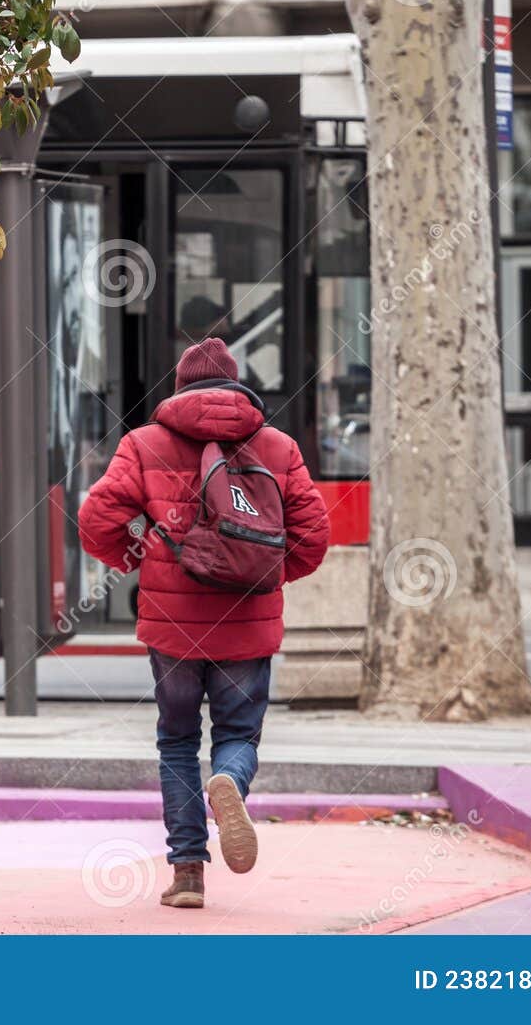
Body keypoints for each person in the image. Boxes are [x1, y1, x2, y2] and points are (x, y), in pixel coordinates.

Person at [78, 337, 329, 909]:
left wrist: (135, 557)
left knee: (176, 741)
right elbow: (314, 537)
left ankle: (188, 874)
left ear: (181, 388)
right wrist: (264, 574)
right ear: (236, 384)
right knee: (238, 735)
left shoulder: (144, 444)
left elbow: (96, 520)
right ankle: (230, 786)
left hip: (173, 626)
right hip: (248, 623)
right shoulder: (278, 446)